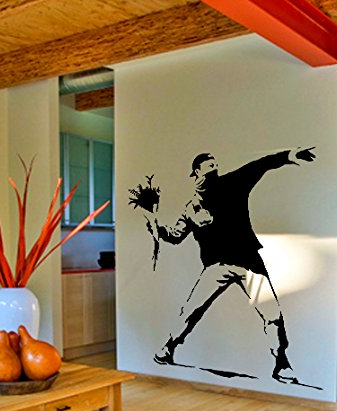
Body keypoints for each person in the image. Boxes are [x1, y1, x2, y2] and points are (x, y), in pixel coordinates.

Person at [131, 147, 316, 384]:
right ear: (196, 172)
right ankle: (169, 348)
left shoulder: (233, 183)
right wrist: (156, 227)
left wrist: (289, 156)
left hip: (249, 263)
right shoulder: (191, 207)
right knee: (191, 310)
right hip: (216, 266)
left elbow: (260, 164)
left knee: (272, 314)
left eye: (215, 164)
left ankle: (282, 363)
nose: (214, 168)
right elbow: (175, 236)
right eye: (208, 165)